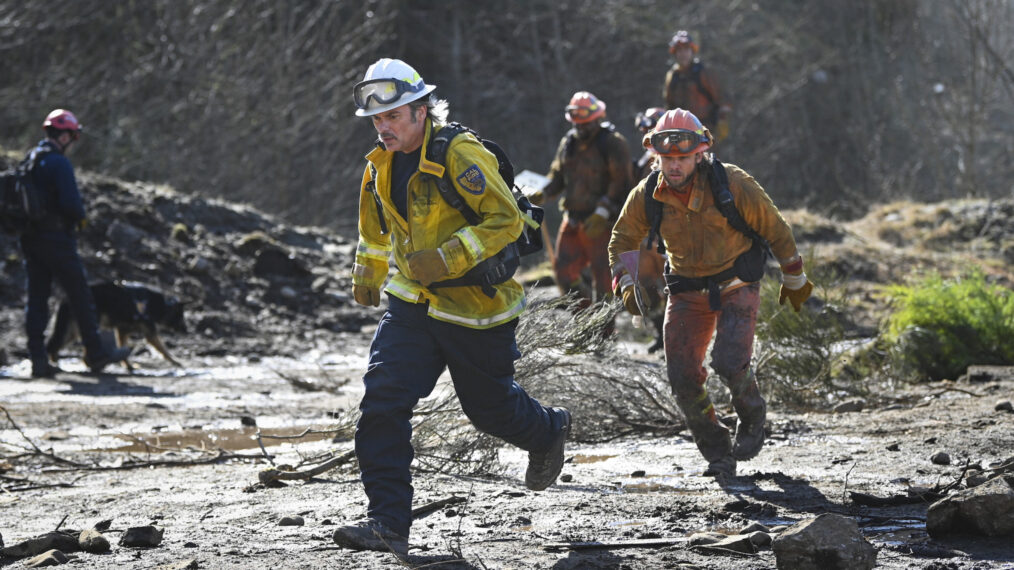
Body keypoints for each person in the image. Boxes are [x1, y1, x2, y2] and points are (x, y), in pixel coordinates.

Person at [335, 58, 571, 558]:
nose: (384, 126)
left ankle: (548, 430)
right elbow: (373, 228)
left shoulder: (459, 154)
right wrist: (369, 272)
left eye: (393, 116)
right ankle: (387, 523)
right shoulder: (378, 162)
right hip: (412, 304)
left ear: (421, 110)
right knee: (382, 402)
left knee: (489, 410)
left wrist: (447, 257)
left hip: (474, 308)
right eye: (377, 119)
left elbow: (505, 221)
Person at [607, 109, 813, 478]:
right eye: (667, 159)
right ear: (656, 156)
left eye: (682, 158)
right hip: (687, 291)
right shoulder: (647, 194)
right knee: (683, 377)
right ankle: (718, 452)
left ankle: (752, 414)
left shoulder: (732, 183)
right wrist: (626, 282)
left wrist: (794, 275)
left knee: (730, 362)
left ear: (699, 153)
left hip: (737, 283)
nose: (674, 166)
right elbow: (622, 239)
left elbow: (775, 226)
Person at [19, 109, 130, 378]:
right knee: (81, 296)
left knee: (37, 298)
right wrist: (79, 221)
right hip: (57, 240)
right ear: (66, 135)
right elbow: (72, 205)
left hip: (30, 240)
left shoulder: (30, 161)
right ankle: (96, 354)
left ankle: (38, 359)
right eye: (73, 136)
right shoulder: (59, 163)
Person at [528, 91, 633, 308]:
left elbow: (621, 183)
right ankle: (586, 319)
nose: (581, 128)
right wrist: (543, 193)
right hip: (573, 220)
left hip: (602, 223)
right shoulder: (569, 143)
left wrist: (603, 211)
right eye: (577, 123)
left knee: (604, 281)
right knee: (563, 273)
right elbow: (557, 176)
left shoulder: (613, 143)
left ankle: (605, 333)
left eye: (586, 123)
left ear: (598, 119)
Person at [663, 31, 731, 142]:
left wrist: (722, 121)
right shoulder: (672, 76)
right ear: (674, 53)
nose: (683, 54)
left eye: (686, 50)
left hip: (703, 129)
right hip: (680, 132)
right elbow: (668, 105)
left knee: (705, 157)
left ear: (692, 51)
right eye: (679, 50)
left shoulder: (704, 73)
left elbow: (721, 99)